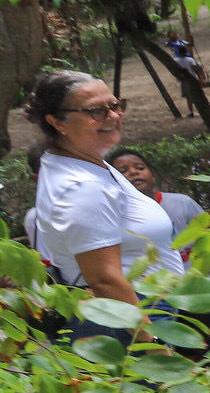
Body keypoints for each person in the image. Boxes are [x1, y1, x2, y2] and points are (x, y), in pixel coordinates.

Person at [23, 71, 186, 342]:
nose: (112, 116)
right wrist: (151, 346)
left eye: (115, 105)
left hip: (137, 312)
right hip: (125, 321)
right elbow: (104, 281)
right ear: (57, 122)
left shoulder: (82, 160)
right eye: (96, 111)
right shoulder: (80, 186)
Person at [107, 148, 210, 352]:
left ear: (152, 175)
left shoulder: (181, 203)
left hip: (194, 289)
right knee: (175, 352)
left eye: (140, 167)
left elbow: (209, 242)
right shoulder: (117, 217)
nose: (134, 172)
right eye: (124, 171)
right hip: (154, 296)